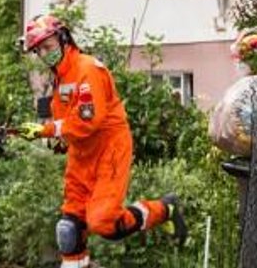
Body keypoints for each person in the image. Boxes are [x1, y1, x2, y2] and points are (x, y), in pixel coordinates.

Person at [19, 14, 187, 267]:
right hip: (81, 153)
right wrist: (54, 141)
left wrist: (46, 131)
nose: (44, 53)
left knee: (102, 222)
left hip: (110, 149)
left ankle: (165, 209)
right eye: (39, 50)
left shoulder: (88, 70)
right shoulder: (59, 79)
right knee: (69, 229)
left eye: (48, 46)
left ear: (64, 39)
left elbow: (88, 121)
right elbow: (67, 126)